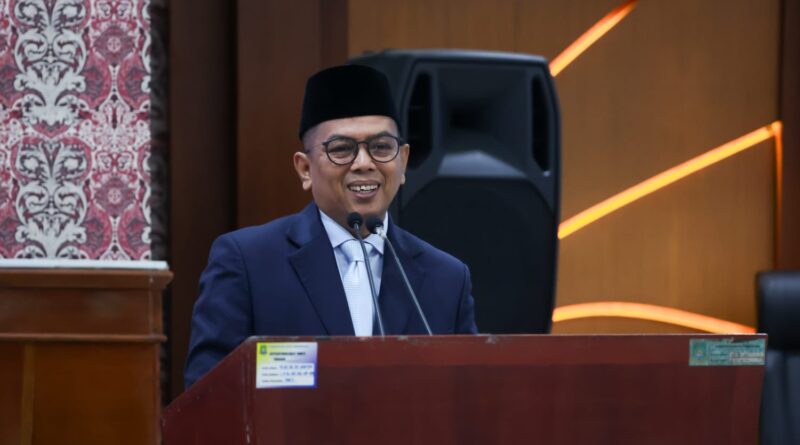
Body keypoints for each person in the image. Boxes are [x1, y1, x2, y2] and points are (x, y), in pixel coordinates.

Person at [184, 65, 477, 389]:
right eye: (341, 149)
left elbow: (470, 399)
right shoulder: (248, 263)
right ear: (304, 168)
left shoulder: (447, 279)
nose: (364, 163)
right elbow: (206, 396)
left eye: (381, 147)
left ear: (403, 161)